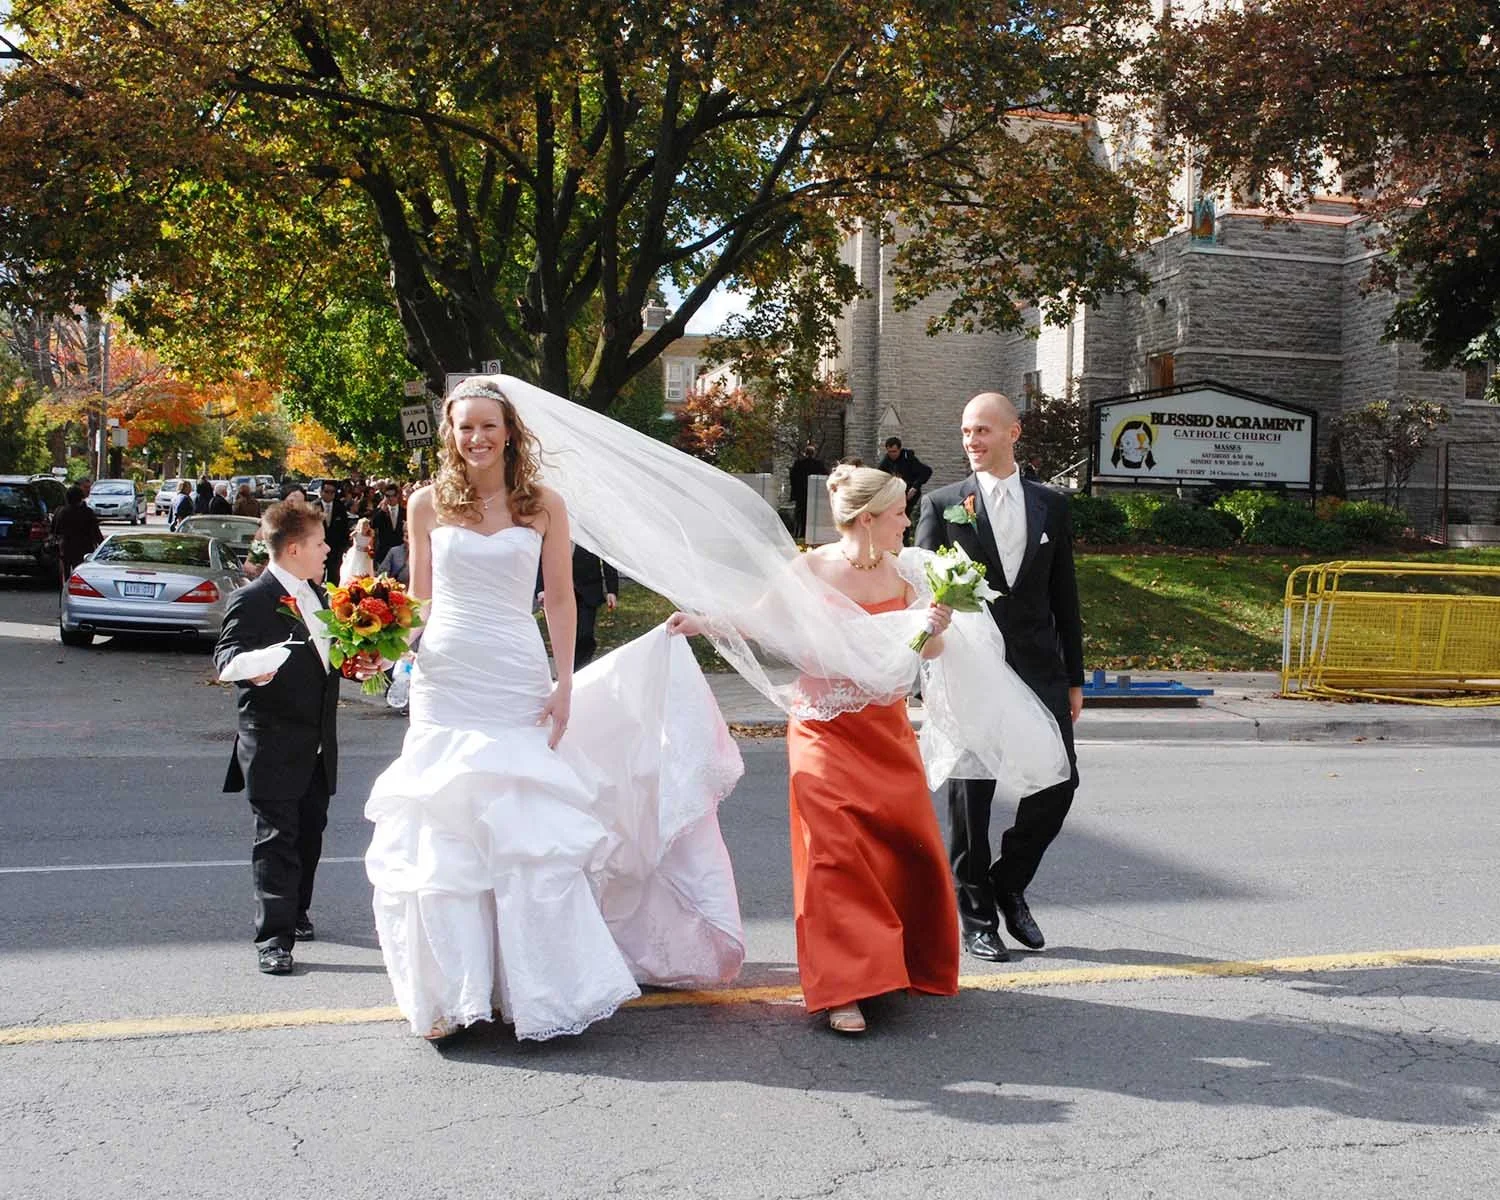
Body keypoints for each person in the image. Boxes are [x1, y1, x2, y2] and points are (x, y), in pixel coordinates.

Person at [364, 378, 744, 1043]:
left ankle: (527, 990)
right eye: (464, 427)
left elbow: (562, 599)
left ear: (510, 430)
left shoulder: (542, 505)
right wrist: (381, 648)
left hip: (514, 672)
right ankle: (454, 994)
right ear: (449, 435)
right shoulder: (425, 504)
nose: (475, 438)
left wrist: (564, 681)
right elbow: (418, 601)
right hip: (446, 679)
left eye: (488, 425)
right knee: (444, 833)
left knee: (524, 834)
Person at [671, 465, 960, 1035]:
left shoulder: (909, 574)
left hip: (886, 731)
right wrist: (700, 623)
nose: (909, 520)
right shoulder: (811, 568)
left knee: (900, 849)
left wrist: (935, 624)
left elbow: (931, 651)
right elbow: (758, 619)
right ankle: (843, 989)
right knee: (833, 853)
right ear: (869, 519)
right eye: (900, 511)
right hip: (822, 729)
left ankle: (894, 962)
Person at [916, 392, 1084, 963]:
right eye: (966, 431)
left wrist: (1074, 677)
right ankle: (977, 915)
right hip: (970, 667)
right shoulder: (943, 505)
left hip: (1039, 666)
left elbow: (1065, 596)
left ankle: (1009, 881)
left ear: (1014, 433)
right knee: (973, 797)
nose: (972, 441)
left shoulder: (1053, 506)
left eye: (984, 430)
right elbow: (920, 592)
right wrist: (923, 668)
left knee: (1059, 783)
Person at [212, 502, 373, 975]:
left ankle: (297, 912)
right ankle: (273, 939)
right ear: (296, 548)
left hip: (319, 742)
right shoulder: (252, 599)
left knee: (310, 833)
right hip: (273, 741)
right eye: (322, 543)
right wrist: (254, 668)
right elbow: (226, 659)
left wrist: (359, 663)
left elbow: (328, 658)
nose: (328, 550)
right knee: (277, 838)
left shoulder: (319, 595)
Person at [537, 546, 619, 668]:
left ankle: (578, 671)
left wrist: (611, 590)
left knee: (584, 635)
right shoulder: (554, 529)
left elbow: (606, 556)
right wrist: (540, 589)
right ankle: (567, 671)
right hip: (560, 592)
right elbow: (542, 557)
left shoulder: (591, 529)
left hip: (588, 590)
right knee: (564, 638)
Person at [877, 436, 933, 538]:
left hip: (910, 494)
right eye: (889, 452)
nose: (892, 454)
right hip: (896, 495)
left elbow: (926, 471)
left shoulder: (909, 459)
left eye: (894, 451)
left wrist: (915, 487)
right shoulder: (886, 461)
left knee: (905, 517)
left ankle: (906, 540)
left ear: (899, 449)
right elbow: (879, 477)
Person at [52, 485, 103, 579]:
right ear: (81, 497)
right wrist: (102, 547)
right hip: (84, 548)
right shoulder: (87, 512)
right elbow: (96, 532)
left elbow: (55, 531)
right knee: (81, 574)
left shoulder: (61, 512)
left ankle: (65, 589)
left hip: (66, 547)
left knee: (66, 574)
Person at [788, 441, 826, 541]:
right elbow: (825, 476)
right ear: (813, 453)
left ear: (805, 453)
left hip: (801, 494)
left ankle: (799, 533)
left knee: (800, 515)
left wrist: (794, 493)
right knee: (812, 515)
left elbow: (792, 478)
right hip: (814, 494)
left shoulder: (798, 464)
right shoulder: (818, 464)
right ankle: (811, 533)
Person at [317, 480, 350, 583]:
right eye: (326, 491)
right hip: (317, 548)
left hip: (335, 549)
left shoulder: (340, 507)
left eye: (332, 492)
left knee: (334, 577)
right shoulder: (313, 507)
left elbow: (345, 528)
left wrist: (344, 546)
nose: (329, 494)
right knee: (316, 577)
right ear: (321, 491)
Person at [339, 517, 377, 585]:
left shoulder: (369, 536)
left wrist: (370, 551)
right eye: (364, 525)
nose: (365, 527)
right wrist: (354, 533)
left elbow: (371, 545)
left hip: (365, 555)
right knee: (353, 568)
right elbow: (349, 537)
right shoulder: (356, 534)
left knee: (364, 569)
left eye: (367, 525)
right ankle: (351, 582)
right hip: (356, 553)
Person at [372, 482, 404, 561]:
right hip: (384, 551)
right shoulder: (379, 512)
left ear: (397, 496)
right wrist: (382, 511)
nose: (391, 498)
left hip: (400, 550)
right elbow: (373, 525)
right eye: (388, 496)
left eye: (393, 496)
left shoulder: (405, 512)